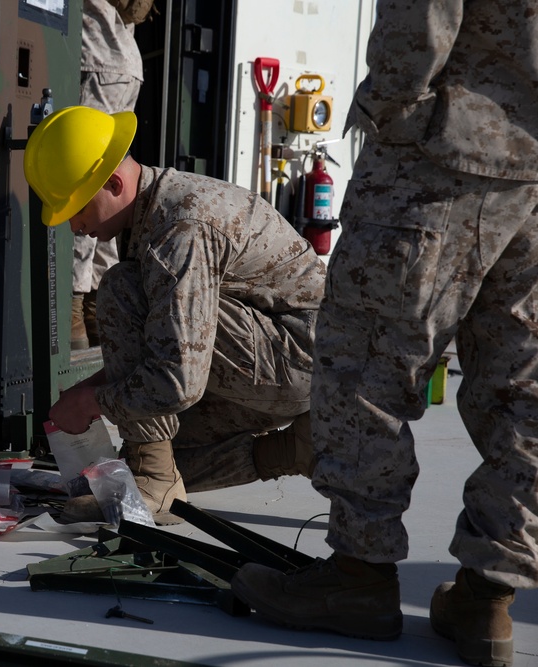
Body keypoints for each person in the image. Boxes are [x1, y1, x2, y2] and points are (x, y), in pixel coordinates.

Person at [229, 2, 537, 665]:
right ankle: (489, 595)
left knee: (366, 356)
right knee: (524, 385)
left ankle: (360, 576)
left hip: (449, 149)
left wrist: (393, 112)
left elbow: (422, 15)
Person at [23, 105, 327, 525]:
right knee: (146, 454)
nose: (75, 226)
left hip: (296, 362)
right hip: (286, 365)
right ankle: (296, 448)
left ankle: (154, 484)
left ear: (113, 183)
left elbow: (176, 382)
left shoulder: (179, 227)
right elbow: (164, 346)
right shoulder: (154, 208)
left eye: (77, 209)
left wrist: (93, 401)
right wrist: (83, 394)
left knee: (121, 289)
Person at [71, 0, 144, 351]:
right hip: (124, 61)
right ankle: (97, 312)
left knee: (85, 185)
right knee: (107, 189)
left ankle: (74, 305)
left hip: (96, 56)